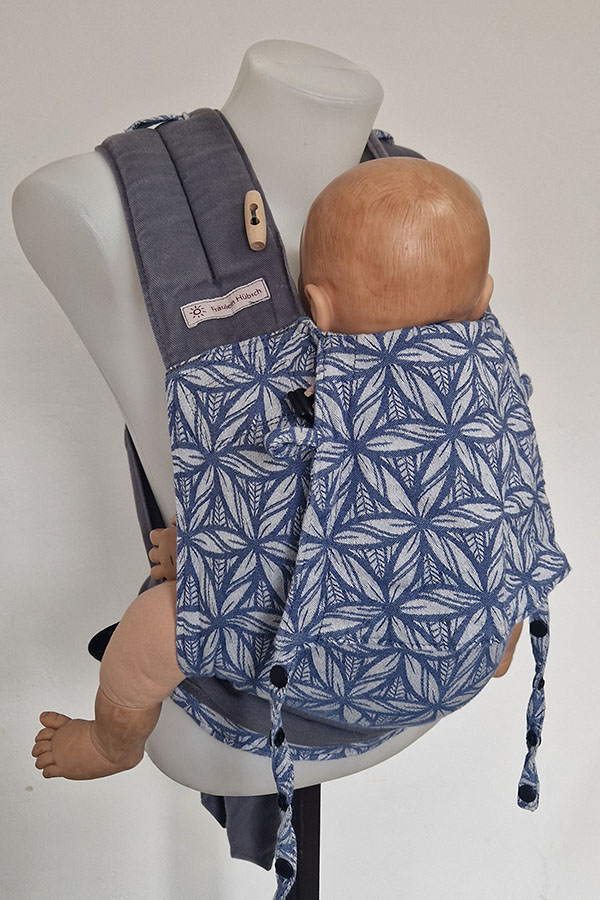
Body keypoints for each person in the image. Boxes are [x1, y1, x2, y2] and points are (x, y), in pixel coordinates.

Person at [31, 156, 523, 779]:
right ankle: (493, 643)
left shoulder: (303, 402)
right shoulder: (491, 382)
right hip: (466, 655)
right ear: (483, 299)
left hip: (319, 675)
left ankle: (112, 743)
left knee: (152, 634)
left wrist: (208, 560)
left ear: (317, 308)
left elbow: (272, 498)